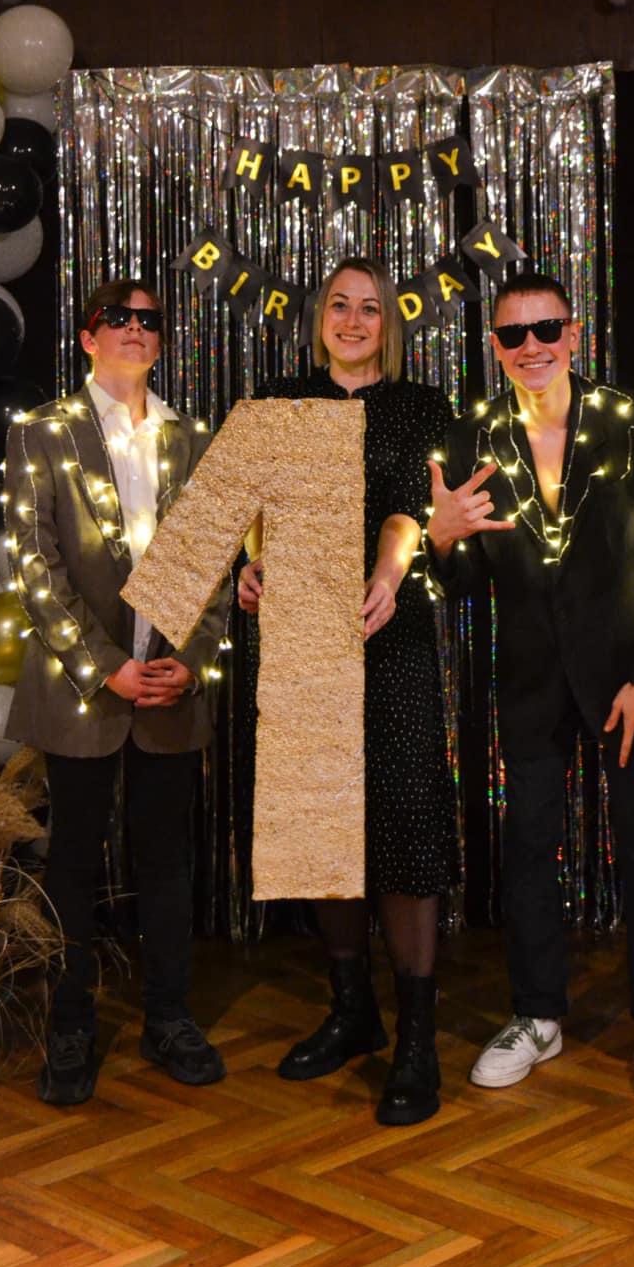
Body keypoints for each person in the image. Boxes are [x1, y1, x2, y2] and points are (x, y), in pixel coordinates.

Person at [425, 270, 634, 1098]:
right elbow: (464, 585)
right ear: (495, 346)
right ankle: (536, 1015)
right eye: (513, 334)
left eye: (546, 329)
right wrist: (441, 539)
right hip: (531, 681)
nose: (531, 346)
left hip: (629, 681)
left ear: (573, 334)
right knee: (527, 851)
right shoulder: (472, 439)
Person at [237, 256, 456, 1127]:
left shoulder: (420, 406)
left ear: (387, 324)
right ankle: (352, 1011)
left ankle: (417, 1039)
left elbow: (409, 507)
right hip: (303, 639)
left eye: (370, 308)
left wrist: (388, 573)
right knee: (322, 824)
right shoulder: (277, 400)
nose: (354, 320)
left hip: (387, 634)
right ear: (319, 318)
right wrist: (250, 567)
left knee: (401, 822)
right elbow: (254, 512)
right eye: (340, 305)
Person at [5, 279, 230, 1106]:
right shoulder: (42, 432)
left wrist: (191, 661)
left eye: (149, 320)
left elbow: (215, 567)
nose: (135, 329)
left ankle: (168, 1016)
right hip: (84, 693)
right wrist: (103, 665)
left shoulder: (191, 440)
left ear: (160, 339)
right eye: (118, 318)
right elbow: (35, 564)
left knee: (166, 859)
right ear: (88, 337)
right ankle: (71, 1023)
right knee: (72, 858)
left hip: (169, 690)